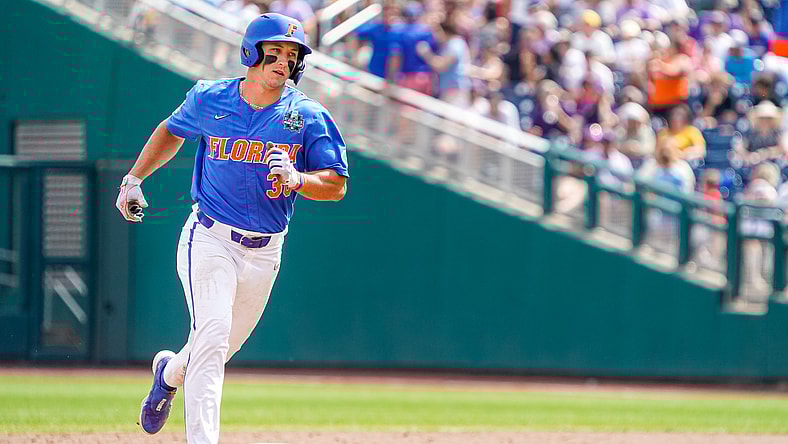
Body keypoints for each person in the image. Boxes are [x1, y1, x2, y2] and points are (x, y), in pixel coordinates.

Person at [116, 14, 349, 444]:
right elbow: (172, 130)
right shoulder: (210, 98)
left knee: (217, 347)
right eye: (275, 52)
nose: (284, 62)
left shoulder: (306, 115)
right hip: (210, 236)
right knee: (214, 334)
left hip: (265, 252)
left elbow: (336, 185)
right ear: (251, 52)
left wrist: (299, 179)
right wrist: (134, 178)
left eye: (292, 55)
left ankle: (168, 374)